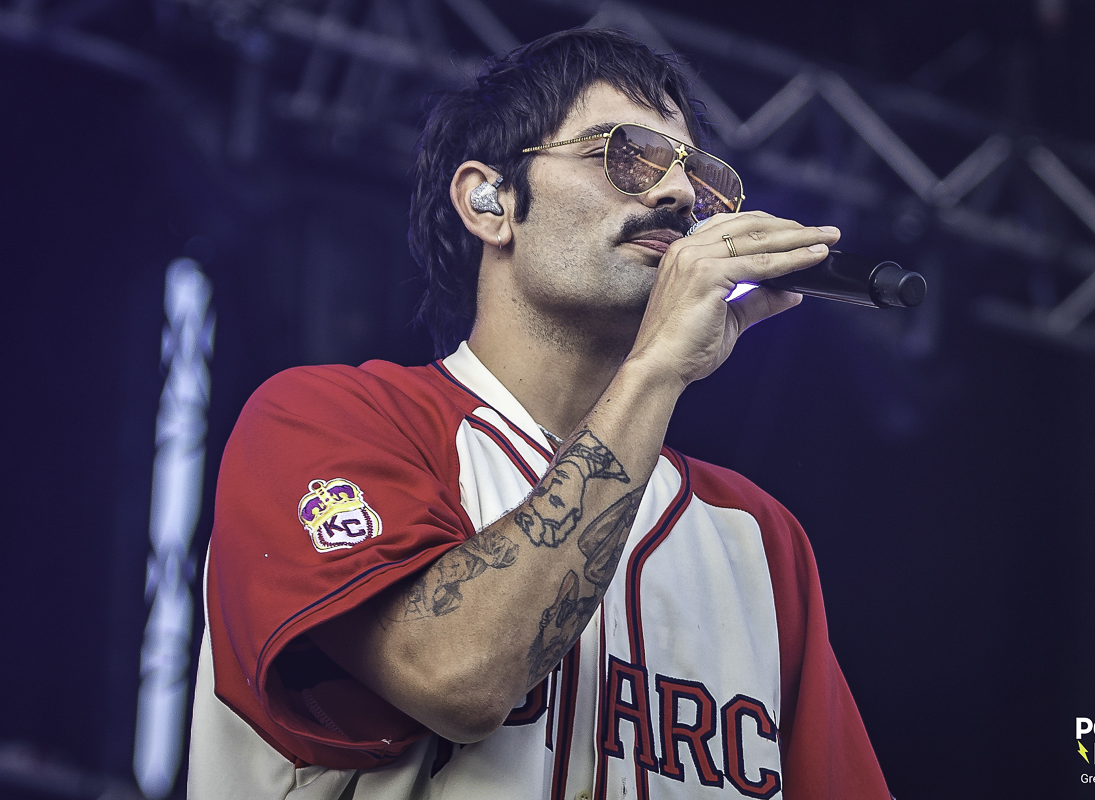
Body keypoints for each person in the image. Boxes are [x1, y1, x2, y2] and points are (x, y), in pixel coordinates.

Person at [188, 27, 891, 800]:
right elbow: (457, 676)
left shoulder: (757, 537)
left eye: (701, 178)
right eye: (626, 155)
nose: (678, 196)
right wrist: (658, 367)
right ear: (488, 202)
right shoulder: (321, 421)